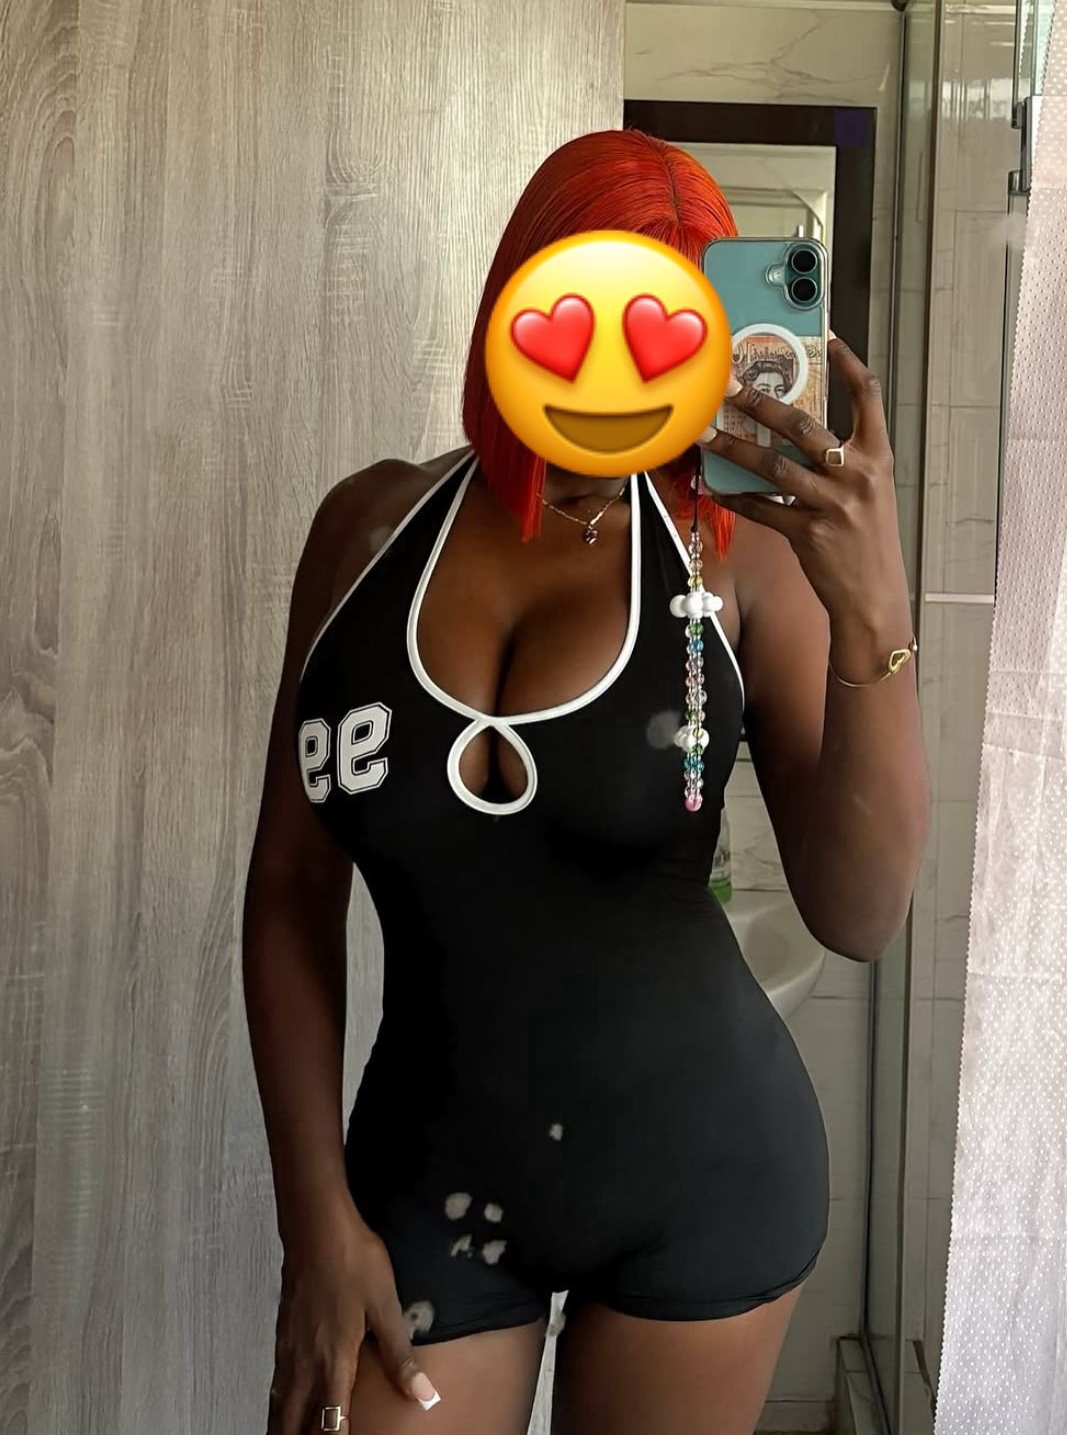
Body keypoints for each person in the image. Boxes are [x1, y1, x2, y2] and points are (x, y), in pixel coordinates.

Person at [243, 128, 929, 1435]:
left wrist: (872, 614)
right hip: (425, 1179)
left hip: (705, 1180)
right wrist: (312, 1218)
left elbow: (861, 910)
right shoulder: (366, 529)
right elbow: (288, 888)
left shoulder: (741, 557)